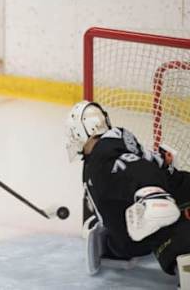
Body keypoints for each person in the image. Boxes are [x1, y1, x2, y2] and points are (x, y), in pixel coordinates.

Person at [65, 100, 190, 287]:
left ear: (81, 130)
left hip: (139, 231)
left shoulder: (100, 159)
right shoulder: (108, 150)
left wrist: (152, 192)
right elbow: (144, 165)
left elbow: (138, 168)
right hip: (146, 226)